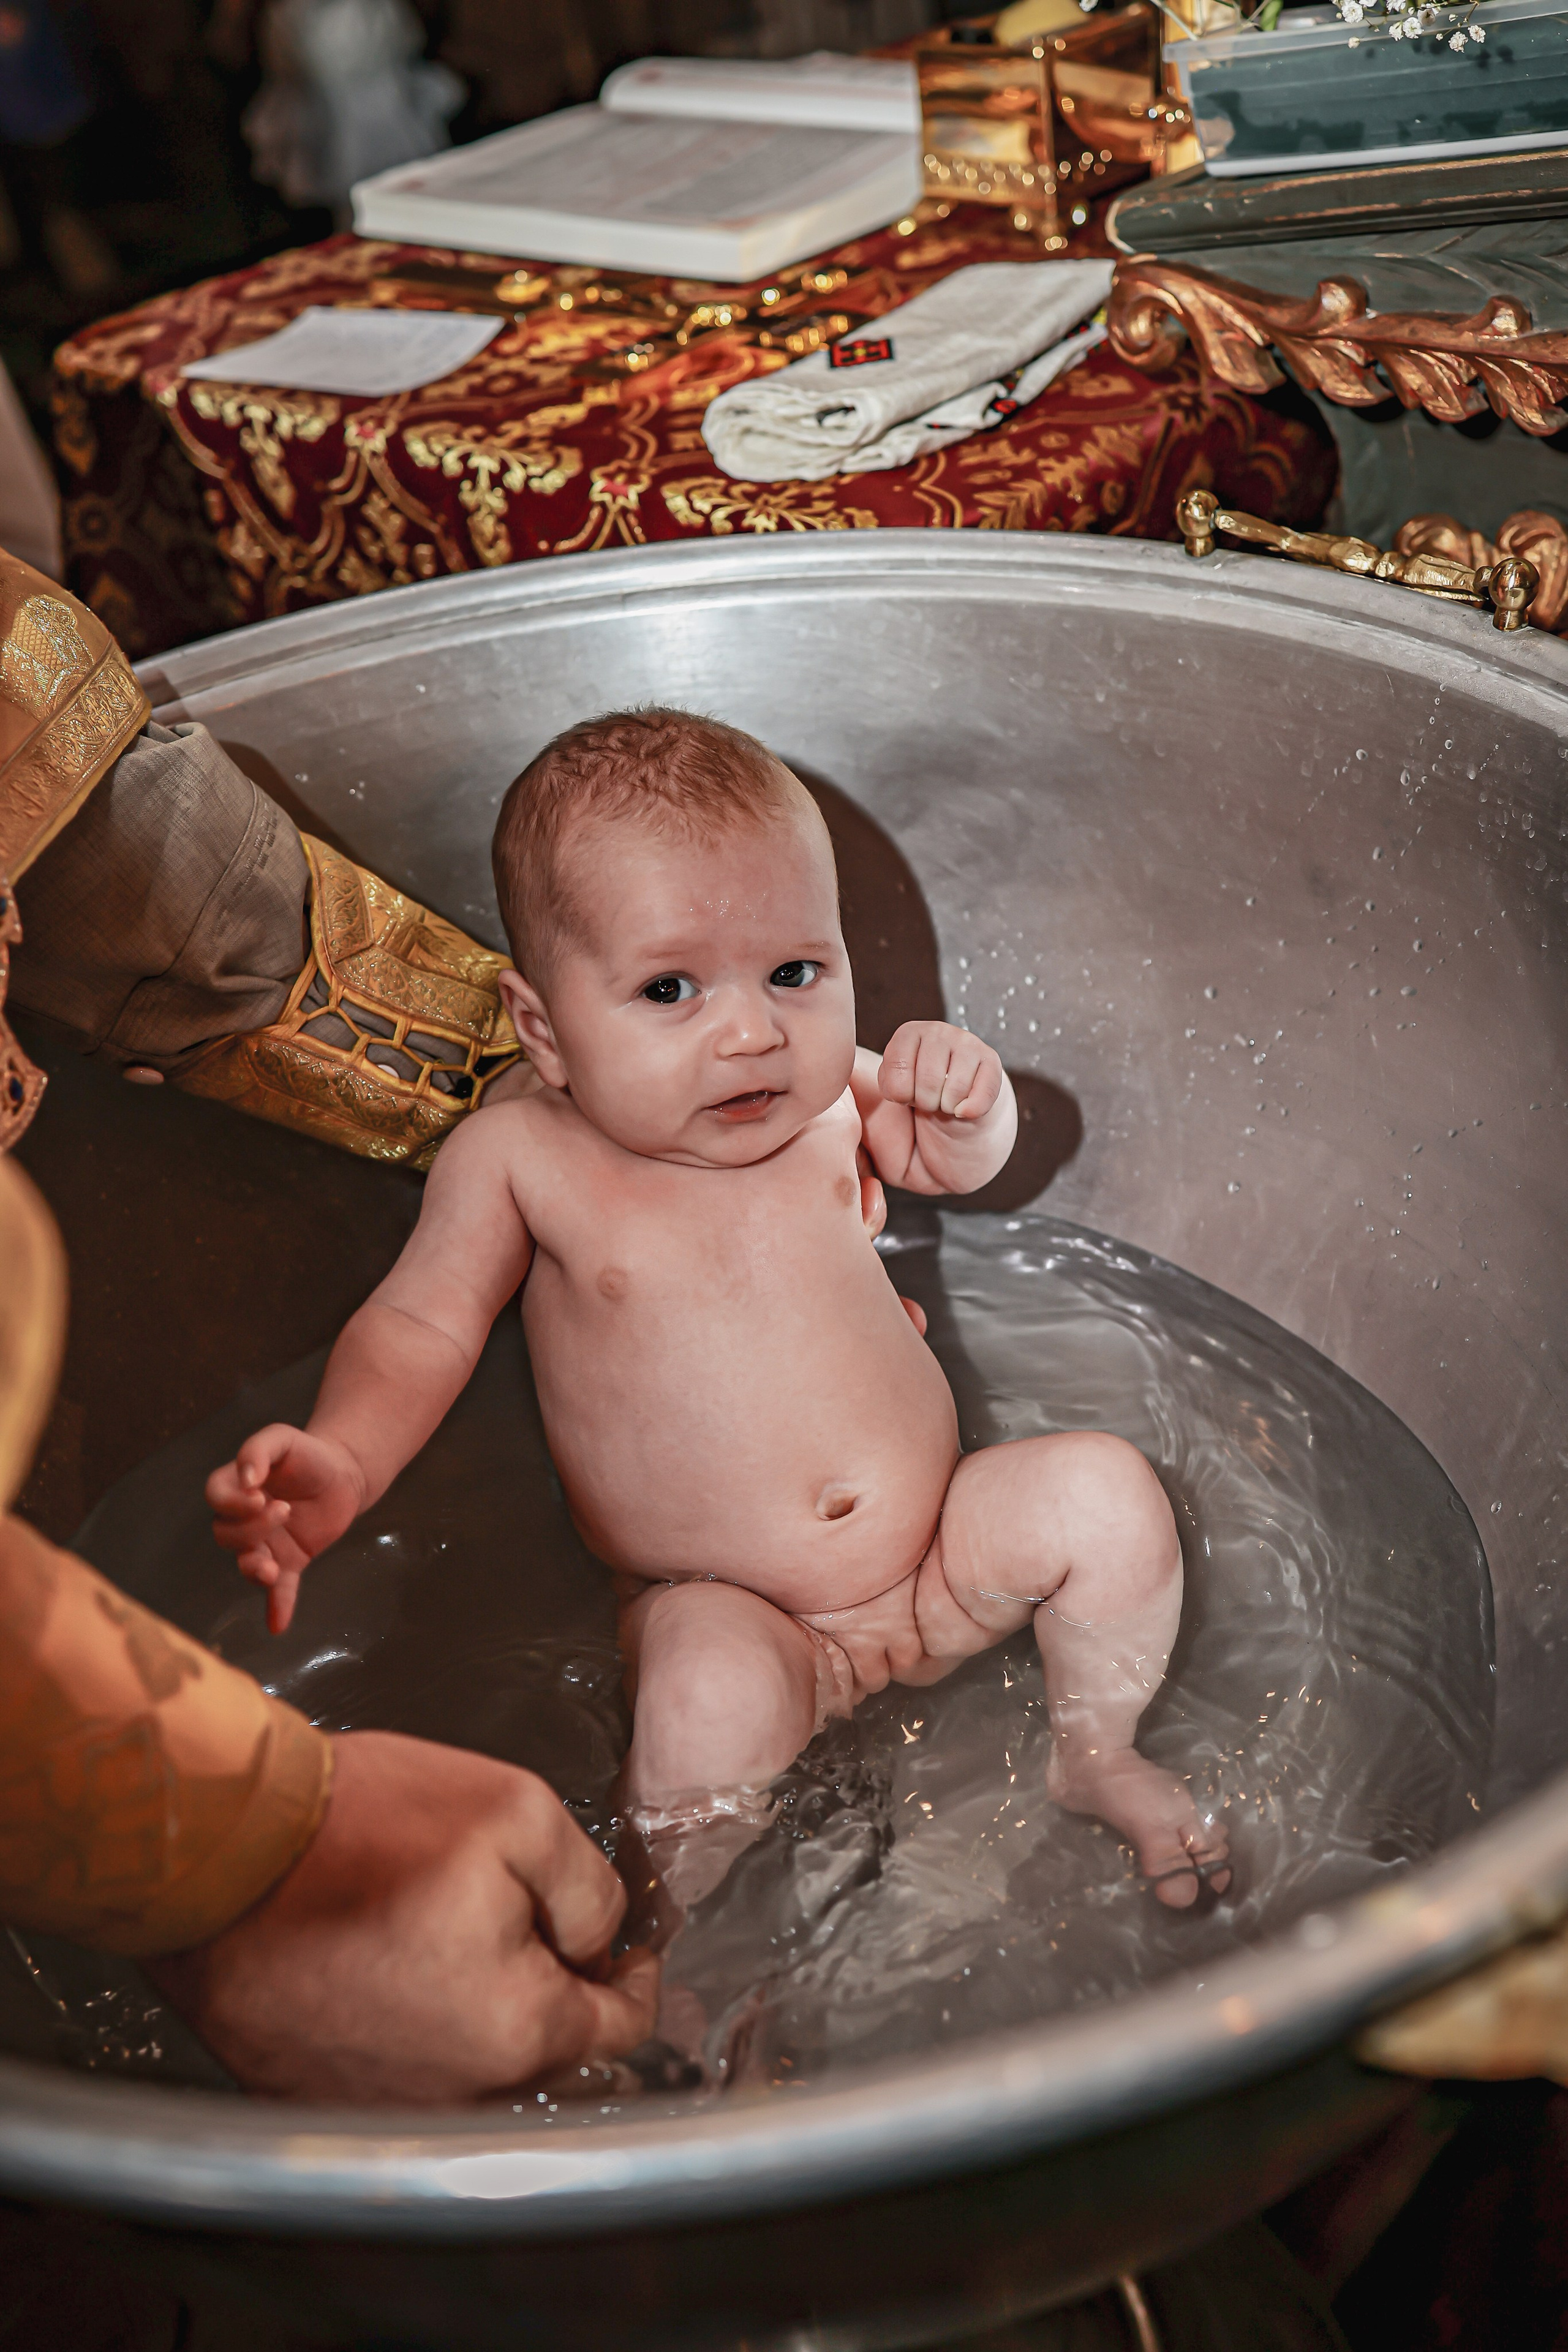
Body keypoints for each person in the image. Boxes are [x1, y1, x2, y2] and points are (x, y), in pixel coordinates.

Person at [209, 707, 1231, 1915]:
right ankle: (675, 1934)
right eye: (669, 989)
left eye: (794, 973)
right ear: (543, 1027)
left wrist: (970, 1109)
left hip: (939, 1563)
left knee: (1102, 1498)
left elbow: (958, 1164)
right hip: (742, 1620)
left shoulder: (825, 1105)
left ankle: (1094, 1748)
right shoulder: (517, 1163)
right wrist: (346, 1455)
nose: (750, 1033)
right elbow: (418, 1326)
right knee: (702, 1699)